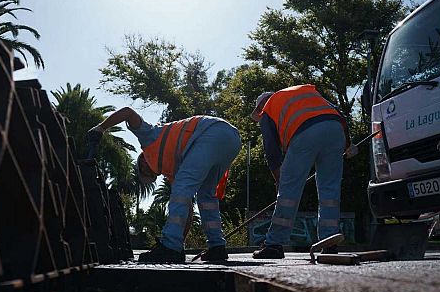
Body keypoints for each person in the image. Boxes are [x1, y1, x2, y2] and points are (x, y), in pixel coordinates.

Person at [88, 107, 241, 263]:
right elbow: (186, 210)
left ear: (142, 160)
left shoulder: (148, 136)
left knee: (183, 190)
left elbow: (127, 112)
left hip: (211, 131)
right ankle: (217, 247)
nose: (149, 170)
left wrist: (101, 127)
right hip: (231, 138)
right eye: (151, 174)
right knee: (206, 196)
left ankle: (169, 246)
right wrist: (180, 243)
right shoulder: (174, 173)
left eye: (146, 171)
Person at [250, 85, 356, 259]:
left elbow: (272, 152)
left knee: (288, 192)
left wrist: (279, 181)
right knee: (330, 190)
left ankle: (274, 244)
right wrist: (347, 144)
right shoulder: (303, 93)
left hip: (305, 133)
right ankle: (330, 241)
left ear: (261, 106)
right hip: (335, 130)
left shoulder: (269, 108)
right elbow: (338, 114)